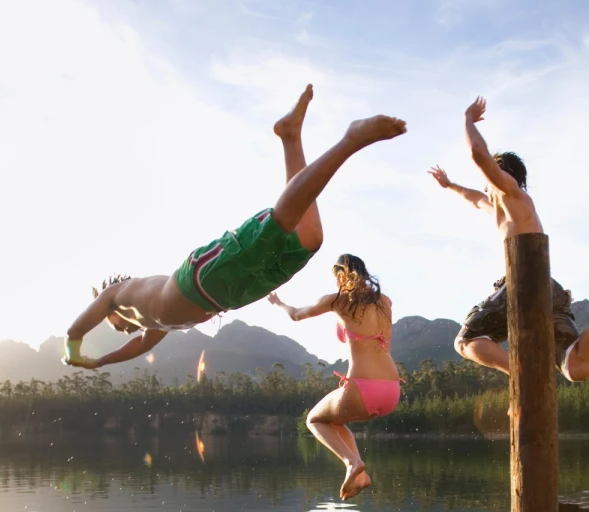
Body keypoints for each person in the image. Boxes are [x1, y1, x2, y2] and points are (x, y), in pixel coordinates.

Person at [61, 85, 407, 369]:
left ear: (114, 312)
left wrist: (74, 349)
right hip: (230, 294)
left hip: (202, 277)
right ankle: (290, 137)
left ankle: (351, 139)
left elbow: (81, 323)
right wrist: (100, 362)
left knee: (279, 224)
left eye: (117, 327)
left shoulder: (119, 296)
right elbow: (137, 347)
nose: (125, 331)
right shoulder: (154, 324)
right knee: (308, 240)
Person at [428, 96, 589, 382]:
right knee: (577, 368)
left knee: (466, 341)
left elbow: (478, 154)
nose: (486, 187)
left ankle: (521, 373)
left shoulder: (510, 193)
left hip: (523, 283)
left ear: (500, 176)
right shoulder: (508, 206)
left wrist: (467, 119)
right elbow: (475, 198)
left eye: (490, 179)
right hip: (548, 288)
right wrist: (450, 185)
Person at [267, 255, 400, 500]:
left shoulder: (338, 300)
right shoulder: (385, 302)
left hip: (362, 389)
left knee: (314, 420)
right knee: (335, 422)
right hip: (392, 390)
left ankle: (352, 463)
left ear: (341, 276)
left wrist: (278, 303)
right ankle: (359, 473)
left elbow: (296, 314)